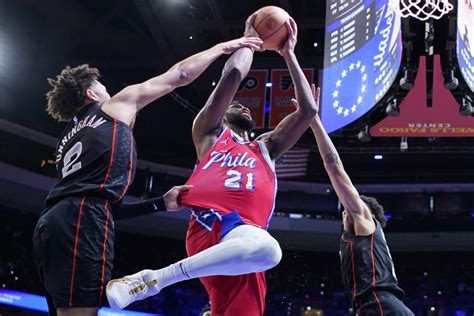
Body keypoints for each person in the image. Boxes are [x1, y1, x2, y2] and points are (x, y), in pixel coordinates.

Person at [32, 35, 262, 316]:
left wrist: (159, 204)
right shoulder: (112, 107)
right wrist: (222, 47)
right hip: (82, 220)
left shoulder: (66, 140)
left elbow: (105, 208)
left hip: (50, 223)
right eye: (102, 87)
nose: (109, 90)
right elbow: (178, 75)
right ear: (91, 94)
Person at [106, 13, 317, 316]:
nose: (242, 105)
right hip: (209, 226)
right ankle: (152, 280)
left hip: (245, 239)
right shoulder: (208, 133)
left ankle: (160, 283)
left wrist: (289, 54)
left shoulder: (267, 149)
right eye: (235, 105)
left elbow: (308, 110)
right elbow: (233, 76)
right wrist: (250, 40)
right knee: (270, 250)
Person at [301, 84, 414, 315]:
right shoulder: (356, 236)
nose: (346, 211)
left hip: (381, 305)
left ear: (368, 215)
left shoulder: (364, 222)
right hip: (374, 305)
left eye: (349, 209)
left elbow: (334, 168)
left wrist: (314, 123)